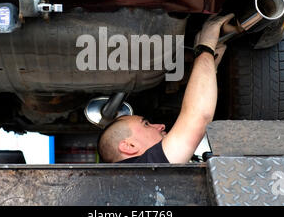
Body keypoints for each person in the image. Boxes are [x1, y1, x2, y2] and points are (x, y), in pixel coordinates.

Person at [97, 13, 235, 163]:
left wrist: (209, 64)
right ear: (129, 146)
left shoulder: (138, 175)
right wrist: (205, 45)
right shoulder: (141, 170)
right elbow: (198, 118)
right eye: (146, 124)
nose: (160, 126)